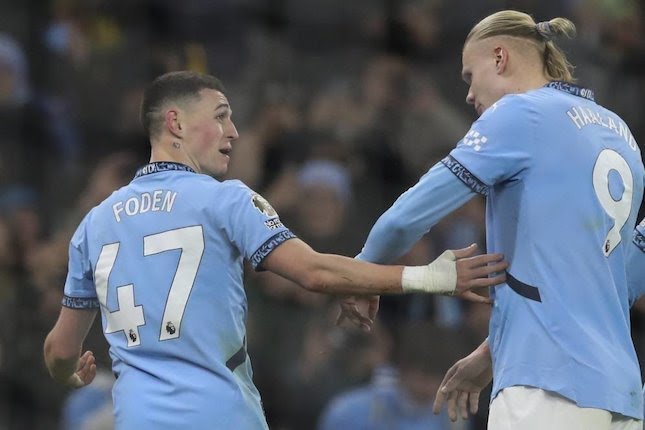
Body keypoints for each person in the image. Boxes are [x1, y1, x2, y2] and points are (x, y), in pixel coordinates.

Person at [42, 71, 507, 430]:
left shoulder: (94, 223)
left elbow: (61, 349)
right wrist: (431, 277)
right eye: (221, 115)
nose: (235, 130)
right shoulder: (224, 199)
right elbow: (313, 272)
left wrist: (69, 374)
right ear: (175, 122)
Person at [355, 10, 645, 430]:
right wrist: (493, 353)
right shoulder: (620, 132)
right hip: (621, 393)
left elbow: (408, 217)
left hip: (545, 389)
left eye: (470, 76)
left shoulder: (519, 115)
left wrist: (361, 272)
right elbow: (613, 288)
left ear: (500, 57)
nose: (470, 96)